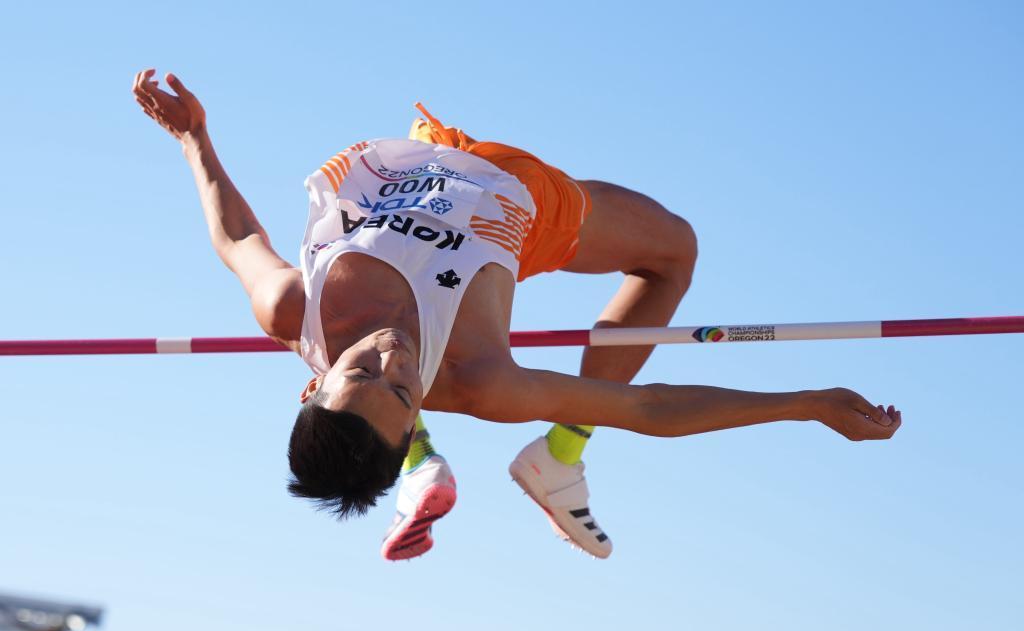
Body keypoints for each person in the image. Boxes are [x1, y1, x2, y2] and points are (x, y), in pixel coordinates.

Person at [132, 69, 901, 561]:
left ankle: (545, 464)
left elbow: (239, 238)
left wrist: (194, 138)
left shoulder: (292, 307)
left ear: (312, 384)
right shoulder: (479, 380)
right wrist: (807, 405)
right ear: (414, 420)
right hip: (523, 205)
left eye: (360, 368)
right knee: (673, 250)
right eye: (403, 390)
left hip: (423, 157)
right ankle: (560, 452)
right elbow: (647, 407)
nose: (393, 355)